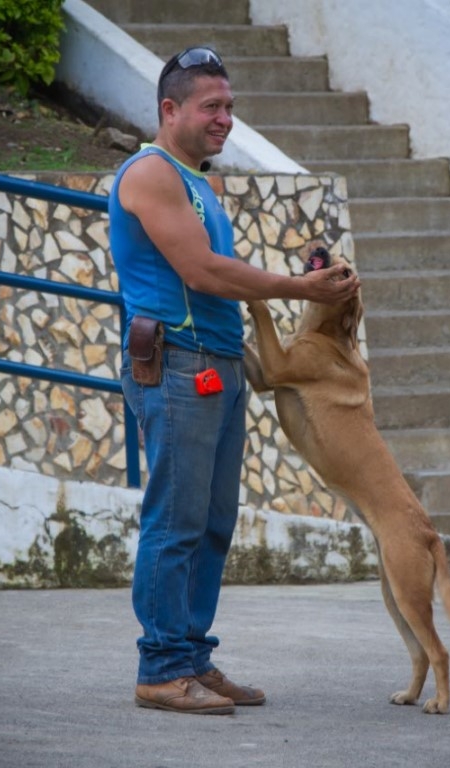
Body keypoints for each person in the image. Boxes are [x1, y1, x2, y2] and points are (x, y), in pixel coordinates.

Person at [108, 46, 362, 715]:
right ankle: (161, 668)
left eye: (229, 106)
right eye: (211, 107)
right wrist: (297, 286)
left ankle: (191, 655)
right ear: (171, 109)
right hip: (179, 365)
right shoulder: (151, 174)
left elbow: (221, 273)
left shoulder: (199, 181)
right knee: (176, 520)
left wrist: (302, 286)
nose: (225, 119)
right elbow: (203, 273)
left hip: (217, 366)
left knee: (213, 522)